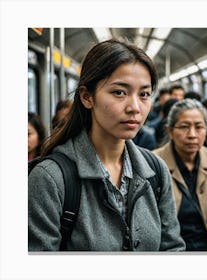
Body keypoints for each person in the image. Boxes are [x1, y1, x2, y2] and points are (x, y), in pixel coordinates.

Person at [28, 39, 185, 252]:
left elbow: (172, 248)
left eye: (144, 94)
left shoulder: (155, 170)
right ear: (87, 97)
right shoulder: (50, 179)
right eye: (119, 92)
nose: (135, 108)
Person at [153, 99, 207, 251]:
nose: (192, 135)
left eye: (199, 127)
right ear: (170, 131)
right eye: (184, 127)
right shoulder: (153, 165)